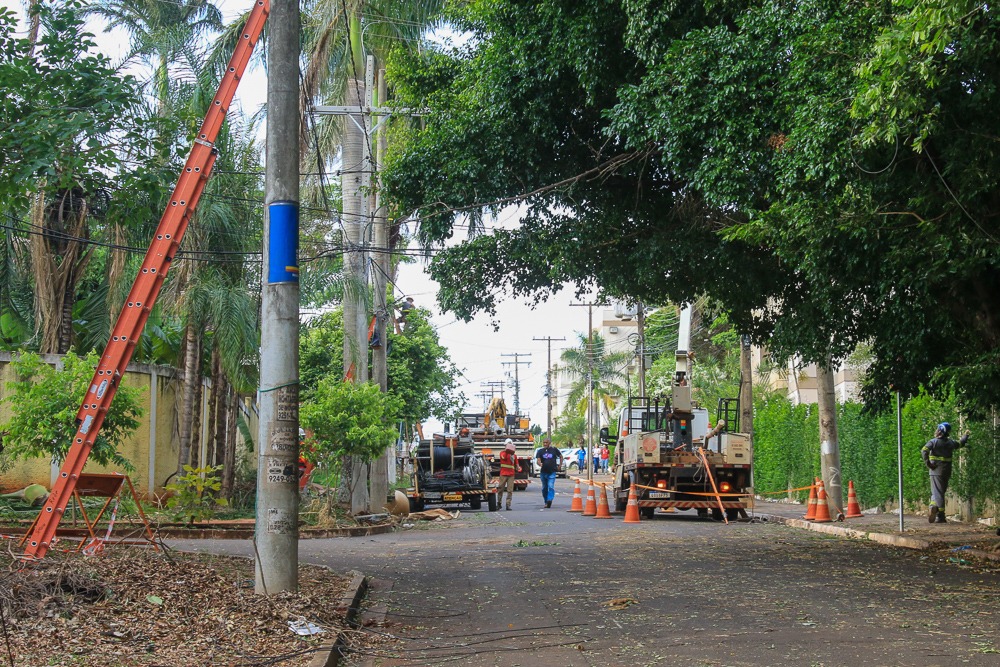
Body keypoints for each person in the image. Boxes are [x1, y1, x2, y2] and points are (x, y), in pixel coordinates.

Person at [921, 422, 970, 524]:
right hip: (947, 471)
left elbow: (924, 450)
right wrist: (966, 435)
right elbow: (961, 443)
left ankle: (941, 516)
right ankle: (933, 506)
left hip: (935, 470)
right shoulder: (950, 442)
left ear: (940, 430)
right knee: (938, 491)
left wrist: (928, 463)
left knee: (938, 492)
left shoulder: (933, 442)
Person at [535, 438, 563, 508]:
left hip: (552, 472)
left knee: (550, 486)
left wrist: (560, 465)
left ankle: (549, 500)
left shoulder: (554, 450)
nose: (545, 444)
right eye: (544, 443)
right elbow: (538, 460)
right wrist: (540, 464)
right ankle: (546, 501)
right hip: (543, 472)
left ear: (549, 443)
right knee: (544, 488)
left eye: (546, 442)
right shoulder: (540, 451)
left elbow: (561, 456)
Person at [497, 439, 521, 511]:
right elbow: (503, 457)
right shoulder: (502, 453)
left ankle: (508, 504)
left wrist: (518, 468)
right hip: (503, 474)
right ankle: (499, 503)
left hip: (511, 474)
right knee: (500, 489)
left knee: (510, 490)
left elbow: (517, 465)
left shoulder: (514, 456)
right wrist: (508, 451)